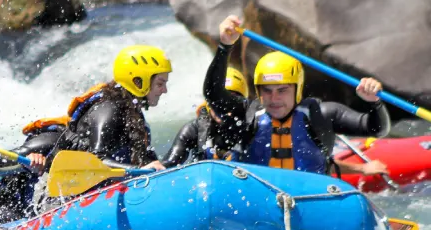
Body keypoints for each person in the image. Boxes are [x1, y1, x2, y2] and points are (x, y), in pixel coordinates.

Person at [205, 15, 391, 175]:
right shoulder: (248, 115)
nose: (274, 98)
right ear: (258, 91)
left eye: (282, 90)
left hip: (311, 200)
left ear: (297, 89)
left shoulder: (322, 114)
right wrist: (224, 47)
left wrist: (374, 103)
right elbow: (213, 95)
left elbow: (377, 129)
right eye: (267, 91)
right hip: (259, 201)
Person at [48, 45, 171, 171]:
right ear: (138, 82)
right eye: (160, 84)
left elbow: (147, 160)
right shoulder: (108, 108)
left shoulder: (132, 111)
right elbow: (95, 159)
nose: (165, 90)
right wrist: (138, 170)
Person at [162, 66, 250, 167]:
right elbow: (168, 165)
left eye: (229, 102)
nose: (222, 108)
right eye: (217, 101)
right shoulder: (194, 129)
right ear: (208, 103)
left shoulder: (252, 127)